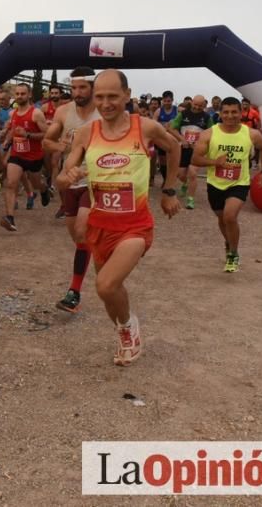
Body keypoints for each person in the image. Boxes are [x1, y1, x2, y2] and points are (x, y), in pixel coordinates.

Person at [58, 69, 181, 366]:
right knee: (109, 291)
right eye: (100, 96)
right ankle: (124, 326)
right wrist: (69, 174)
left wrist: (169, 190)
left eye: (113, 96)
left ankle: (128, 329)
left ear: (127, 95)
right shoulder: (87, 133)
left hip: (135, 225)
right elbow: (63, 177)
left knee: (105, 285)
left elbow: (174, 146)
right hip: (100, 224)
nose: (106, 103)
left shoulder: (145, 127)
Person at [43, 67, 100, 313]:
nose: (77, 92)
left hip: (95, 179)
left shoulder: (103, 112)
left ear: (93, 88)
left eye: (82, 87)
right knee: (79, 239)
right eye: (74, 88)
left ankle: (74, 291)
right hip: (69, 179)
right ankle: (99, 254)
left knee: (81, 229)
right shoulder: (64, 111)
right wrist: (61, 144)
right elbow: (46, 142)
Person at [193, 97, 262, 273]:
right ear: (220, 113)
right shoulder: (209, 134)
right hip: (215, 183)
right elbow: (195, 159)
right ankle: (229, 242)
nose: (230, 116)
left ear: (241, 112)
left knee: (229, 216)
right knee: (221, 218)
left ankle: (233, 254)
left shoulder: (251, 134)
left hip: (239, 182)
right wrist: (215, 162)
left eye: (234, 112)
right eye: (226, 112)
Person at [0, 83, 50, 230]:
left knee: (36, 184)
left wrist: (28, 135)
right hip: (17, 154)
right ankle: (10, 217)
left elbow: (47, 134)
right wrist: (7, 141)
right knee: (11, 183)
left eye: (23, 94)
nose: (20, 96)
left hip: (34, 156)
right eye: (17, 94)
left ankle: (44, 189)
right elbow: (13, 130)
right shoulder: (12, 113)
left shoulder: (36, 113)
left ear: (29, 95)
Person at [167, 95, 213, 209]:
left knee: (192, 173)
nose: (197, 107)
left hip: (197, 150)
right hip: (183, 148)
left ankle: (190, 199)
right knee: (180, 174)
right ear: (192, 103)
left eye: (200, 106)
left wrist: (201, 144)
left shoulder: (207, 117)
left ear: (204, 105)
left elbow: (212, 133)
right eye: (196, 105)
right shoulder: (183, 114)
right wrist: (182, 140)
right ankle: (185, 184)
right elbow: (171, 128)